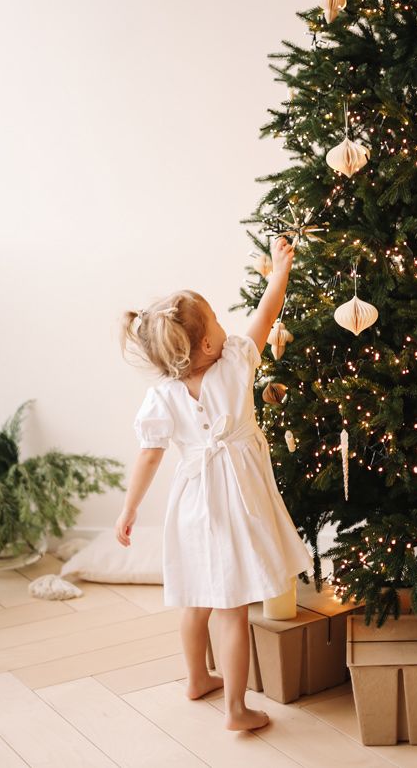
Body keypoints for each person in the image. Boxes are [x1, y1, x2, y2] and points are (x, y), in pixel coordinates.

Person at [115, 236, 314, 732]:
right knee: (232, 609)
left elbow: (149, 456)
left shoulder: (160, 396)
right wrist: (279, 273)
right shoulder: (235, 365)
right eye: (219, 322)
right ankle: (236, 709)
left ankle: (196, 678)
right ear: (206, 344)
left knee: (196, 600)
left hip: (192, 502)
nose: (228, 328)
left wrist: (130, 509)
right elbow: (265, 317)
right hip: (235, 500)